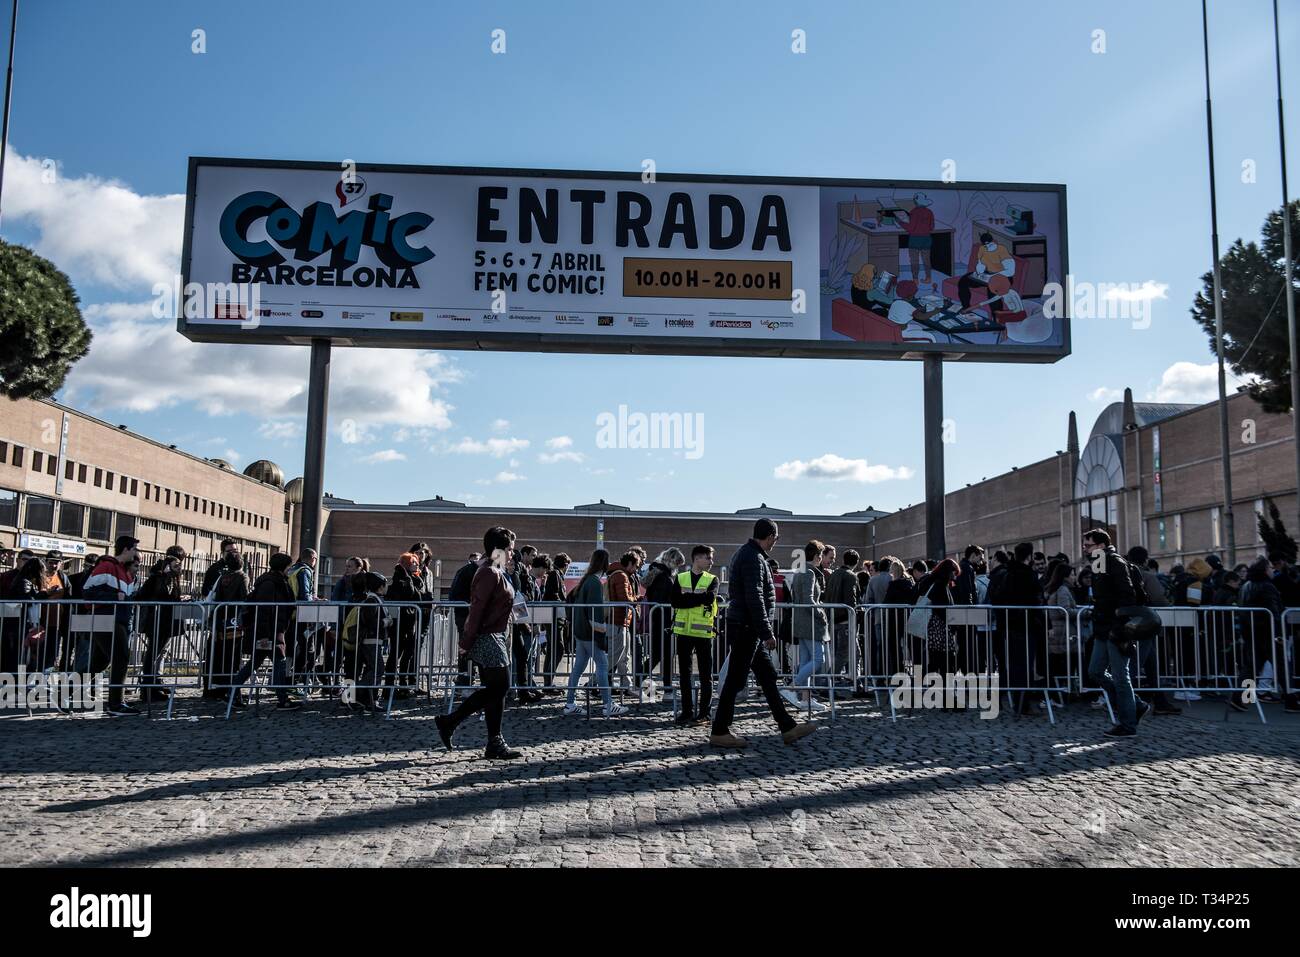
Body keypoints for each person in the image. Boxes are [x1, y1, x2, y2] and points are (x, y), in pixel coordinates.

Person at [711, 519, 816, 748]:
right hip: (748, 627)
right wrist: (767, 631)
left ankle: (787, 726)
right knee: (735, 679)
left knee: (767, 677)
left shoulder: (750, 555)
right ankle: (719, 730)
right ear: (770, 537)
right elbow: (755, 597)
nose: (775, 543)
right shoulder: (753, 558)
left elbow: (754, 596)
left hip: (748, 627)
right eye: (775, 539)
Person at [434, 528, 525, 759]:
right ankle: (450, 721)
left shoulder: (496, 571)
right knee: (500, 686)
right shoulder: (487, 573)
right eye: (510, 550)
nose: (512, 554)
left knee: (495, 690)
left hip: (495, 634)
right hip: (488, 637)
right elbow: (477, 609)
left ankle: (494, 742)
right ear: (500, 550)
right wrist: (466, 642)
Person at [1083, 528, 1147, 737]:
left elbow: (1127, 596)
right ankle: (1135, 705)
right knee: (1095, 671)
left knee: (1121, 677)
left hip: (1117, 628)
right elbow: (1102, 597)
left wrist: (1120, 627)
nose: (1085, 548)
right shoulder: (1099, 563)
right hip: (1103, 627)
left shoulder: (1115, 562)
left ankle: (1128, 724)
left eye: (1088, 545)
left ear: (1101, 546)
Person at [230, 552, 301, 712]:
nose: (290, 570)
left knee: (256, 664)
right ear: (284, 567)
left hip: (274, 629)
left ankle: (232, 693)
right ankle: (282, 700)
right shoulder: (270, 583)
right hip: (270, 631)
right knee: (278, 663)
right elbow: (263, 610)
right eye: (289, 567)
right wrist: (263, 635)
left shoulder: (276, 581)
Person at [562, 549, 627, 718]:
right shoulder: (594, 582)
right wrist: (601, 631)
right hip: (589, 632)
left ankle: (570, 703)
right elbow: (595, 612)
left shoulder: (586, 580)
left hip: (580, 631)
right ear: (605, 564)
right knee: (603, 666)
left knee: (579, 667)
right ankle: (607, 704)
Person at [83, 535, 142, 716]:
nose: (136, 553)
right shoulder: (107, 566)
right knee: (121, 657)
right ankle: (115, 703)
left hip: (117, 619)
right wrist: (114, 597)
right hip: (107, 618)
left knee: (100, 662)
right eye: (134, 549)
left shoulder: (124, 572)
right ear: (126, 550)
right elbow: (88, 592)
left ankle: (68, 688)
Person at [990, 542, 1042, 715]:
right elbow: (1037, 600)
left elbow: (997, 597)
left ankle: (1017, 702)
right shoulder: (1028, 575)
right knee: (1025, 665)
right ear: (1029, 556)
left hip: (1009, 624)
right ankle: (1023, 704)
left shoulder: (1007, 573)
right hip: (1026, 624)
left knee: (1014, 665)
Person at [670, 545, 719, 726]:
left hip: (703, 632)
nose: (711, 562)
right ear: (697, 558)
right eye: (708, 558)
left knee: (706, 675)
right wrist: (697, 599)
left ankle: (704, 713)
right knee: (684, 674)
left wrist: (687, 599)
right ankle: (687, 711)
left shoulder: (712, 579)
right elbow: (675, 601)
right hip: (683, 632)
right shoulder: (680, 578)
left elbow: (709, 598)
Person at [137, 546, 187, 703]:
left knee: (156, 653)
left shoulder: (168, 578)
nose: (179, 567)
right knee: (152, 654)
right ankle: (147, 689)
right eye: (176, 564)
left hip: (165, 619)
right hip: (158, 619)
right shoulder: (159, 577)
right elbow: (159, 595)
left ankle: (152, 685)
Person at [787, 540, 830, 713]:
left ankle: (805, 699)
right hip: (809, 623)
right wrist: (821, 615)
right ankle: (791, 688)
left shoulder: (800, 571)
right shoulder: (809, 572)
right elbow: (808, 600)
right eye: (821, 555)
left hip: (801, 622)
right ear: (817, 556)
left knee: (806, 661)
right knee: (819, 659)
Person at [205, 551, 250, 698]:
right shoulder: (242, 577)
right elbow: (245, 599)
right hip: (235, 622)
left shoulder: (223, 577)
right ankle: (230, 688)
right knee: (233, 658)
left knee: (220, 656)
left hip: (221, 619)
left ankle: (216, 687)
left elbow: (217, 597)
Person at [642, 547, 684, 694]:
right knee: (662, 654)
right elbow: (662, 600)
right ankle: (664, 686)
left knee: (661, 654)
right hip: (661, 620)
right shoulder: (663, 577)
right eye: (678, 563)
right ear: (672, 561)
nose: (679, 567)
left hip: (660, 619)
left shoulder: (658, 573)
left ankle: (664, 685)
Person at [384, 552, 423, 698]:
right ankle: (389, 688)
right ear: (406, 564)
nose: (417, 565)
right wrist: (408, 577)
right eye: (414, 562)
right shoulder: (400, 578)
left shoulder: (414, 578)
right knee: (395, 654)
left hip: (409, 621)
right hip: (400, 623)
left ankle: (403, 685)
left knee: (407, 654)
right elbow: (411, 593)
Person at [349, 571, 389, 713]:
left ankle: (368, 700)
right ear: (380, 586)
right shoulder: (372, 601)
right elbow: (371, 621)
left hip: (374, 640)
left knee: (373, 669)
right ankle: (357, 693)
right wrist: (386, 622)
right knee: (378, 669)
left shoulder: (374, 599)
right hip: (371, 639)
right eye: (385, 585)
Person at [0, 557, 45, 675]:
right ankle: (13, 680)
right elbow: (28, 600)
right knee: (16, 653)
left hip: (15, 621)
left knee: (16, 652)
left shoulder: (23, 580)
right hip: (16, 622)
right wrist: (43, 594)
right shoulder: (25, 582)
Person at [605, 551, 641, 693]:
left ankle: (627, 684)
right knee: (616, 656)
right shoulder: (621, 576)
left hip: (620, 621)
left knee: (623, 657)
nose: (637, 570)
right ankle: (593, 682)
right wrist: (637, 599)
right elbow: (624, 599)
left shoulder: (618, 574)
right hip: (618, 621)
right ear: (630, 564)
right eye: (636, 566)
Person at [825, 548, 861, 684]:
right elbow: (851, 600)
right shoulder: (851, 576)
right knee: (845, 653)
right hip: (845, 620)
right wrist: (855, 613)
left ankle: (856, 681)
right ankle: (829, 681)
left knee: (852, 653)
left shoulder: (834, 574)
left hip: (833, 618)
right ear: (856, 562)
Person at [1041, 559, 1077, 690]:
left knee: (1058, 663)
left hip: (1058, 630)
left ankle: (1059, 691)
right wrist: (1083, 613)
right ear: (1066, 577)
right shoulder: (1062, 590)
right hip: (1063, 631)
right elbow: (1065, 611)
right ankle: (1060, 692)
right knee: (1062, 663)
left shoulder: (1054, 589)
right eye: (1072, 574)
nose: (1074, 577)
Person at [956, 231, 1015, 310]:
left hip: (1003, 277)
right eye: (985, 245)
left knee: (993, 290)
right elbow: (981, 263)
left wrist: (993, 276)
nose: (987, 247)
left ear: (993, 242)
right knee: (963, 281)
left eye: (989, 245)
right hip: (987, 275)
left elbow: (1010, 270)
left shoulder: (1001, 250)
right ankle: (966, 308)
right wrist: (979, 272)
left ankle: (997, 318)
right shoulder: (982, 249)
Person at [540, 552, 571, 692]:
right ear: (565, 565)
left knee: (555, 648)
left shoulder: (557, 575)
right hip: (554, 617)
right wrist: (564, 604)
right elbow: (552, 595)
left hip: (556, 617)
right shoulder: (555, 575)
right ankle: (548, 682)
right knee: (557, 648)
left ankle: (548, 682)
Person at [448, 552, 479, 685]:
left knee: (468, 647)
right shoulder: (468, 573)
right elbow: (454, 594)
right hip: (466, 616)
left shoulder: (463, 572)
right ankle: (465, 678)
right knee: (466, 648)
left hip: (466, 615)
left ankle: (467, 677)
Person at [894, 191, 936, 286]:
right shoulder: (929, 212)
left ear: (916, 201)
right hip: (926, 240)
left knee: (914, 261)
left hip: (915, 240)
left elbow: (910, 228)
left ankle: (915, 280)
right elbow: (932, 227)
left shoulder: (914, 212)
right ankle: (928, 278)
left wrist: (899, 222)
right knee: (926, 260)